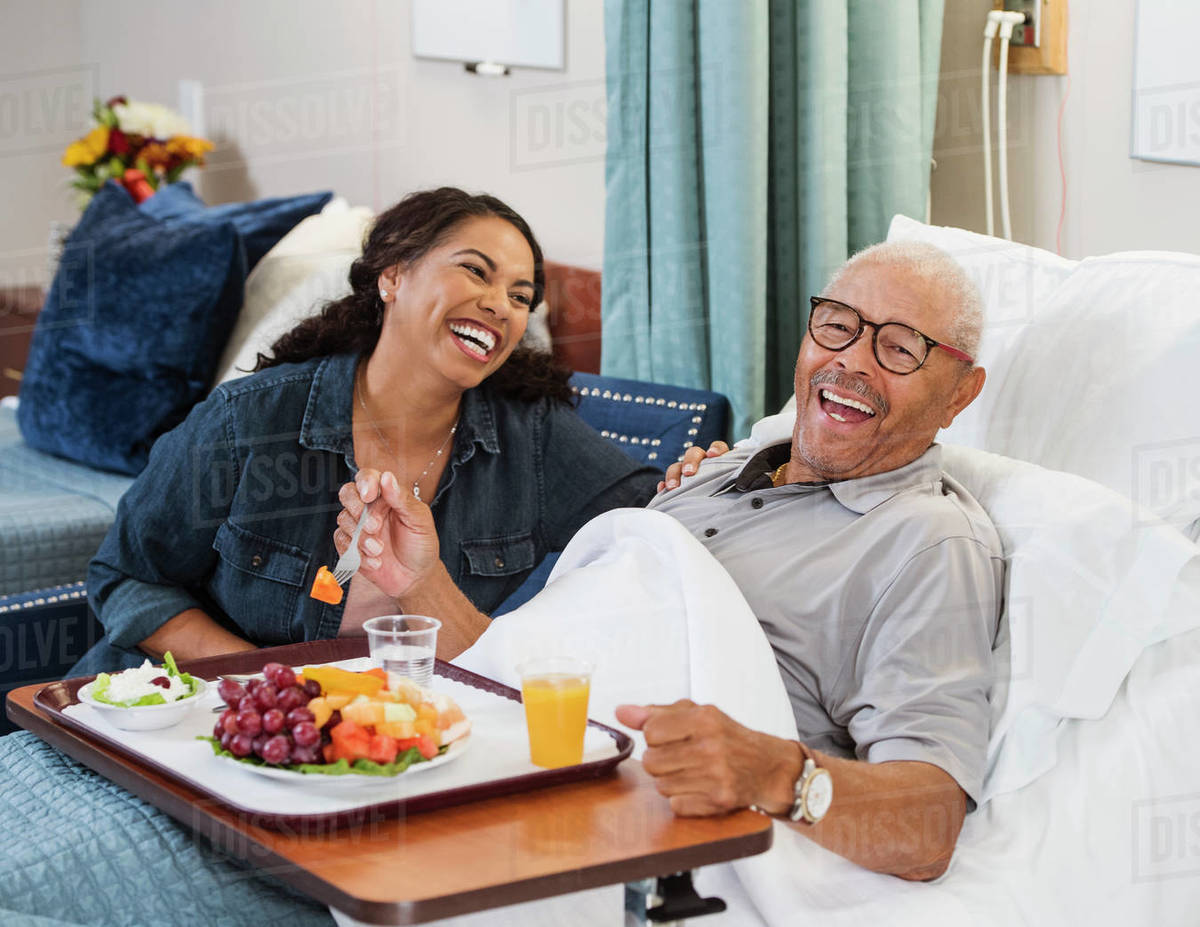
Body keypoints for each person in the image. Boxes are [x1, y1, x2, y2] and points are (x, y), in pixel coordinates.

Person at [335, 239, 1003, 882]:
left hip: (601, 839)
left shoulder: (927, 542)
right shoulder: (722, 472)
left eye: (899, 347)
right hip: (494, 765)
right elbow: (525, 678)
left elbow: (927, 831)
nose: (853, 360)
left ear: (959, 394)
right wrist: (418, 581)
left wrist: (779, 774)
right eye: (836, 325)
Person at [77, 187, 660, 671]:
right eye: (474, 272)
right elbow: (127, 576)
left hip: (406, 742)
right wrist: (267, 683)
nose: (498, 305)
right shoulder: (247, 420)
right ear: (393, 276)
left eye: (519, 296)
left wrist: (702, 478)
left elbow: (660, 525)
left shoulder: (532, 437)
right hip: (190, 718)